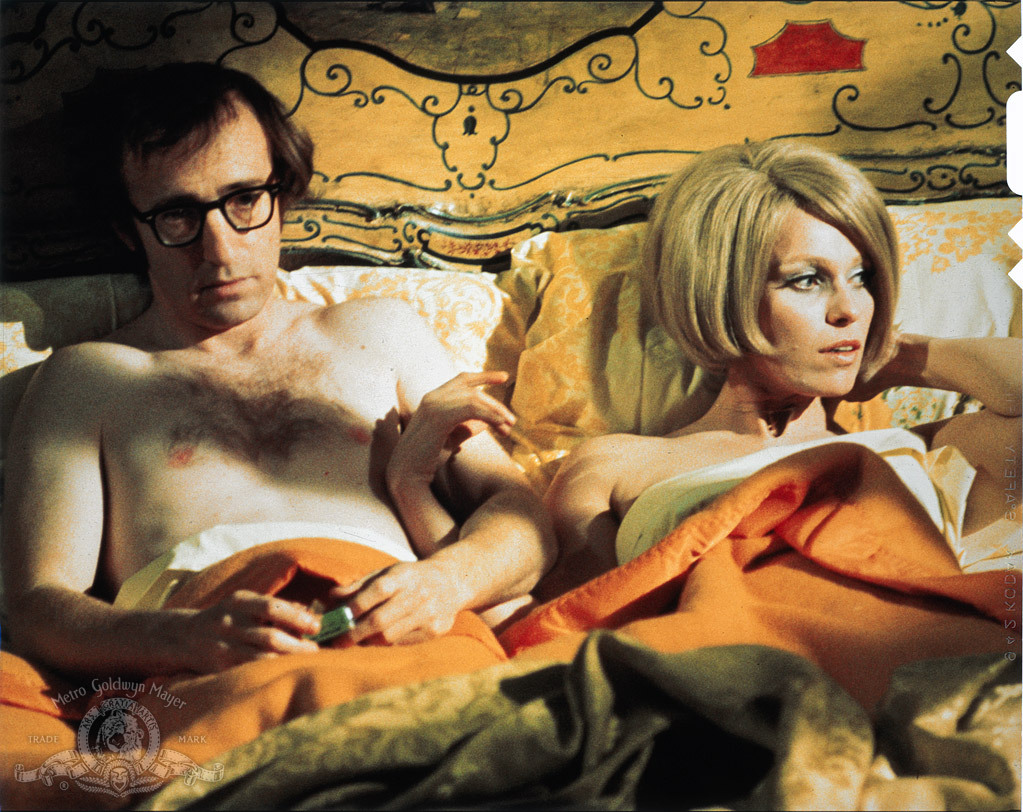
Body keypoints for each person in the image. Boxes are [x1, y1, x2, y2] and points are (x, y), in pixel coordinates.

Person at [1, 62, 555, 677]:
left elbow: (522, 516)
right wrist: (180, 637)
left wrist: (446, 582)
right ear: (129, 230)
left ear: (281, 193)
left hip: (406, 645)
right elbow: (36, 607)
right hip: (207, 666)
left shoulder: (379, 331)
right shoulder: (85, 380)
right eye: (177, 215)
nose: (220, 250)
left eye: (244, 200)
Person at [536, 140, 1021, 598]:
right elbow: (577, 619)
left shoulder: (920, 450)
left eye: (862, 277)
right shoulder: (614, 466)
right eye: (807, 280)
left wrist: (897, 355)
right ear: (720, 292)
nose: (850, 309)